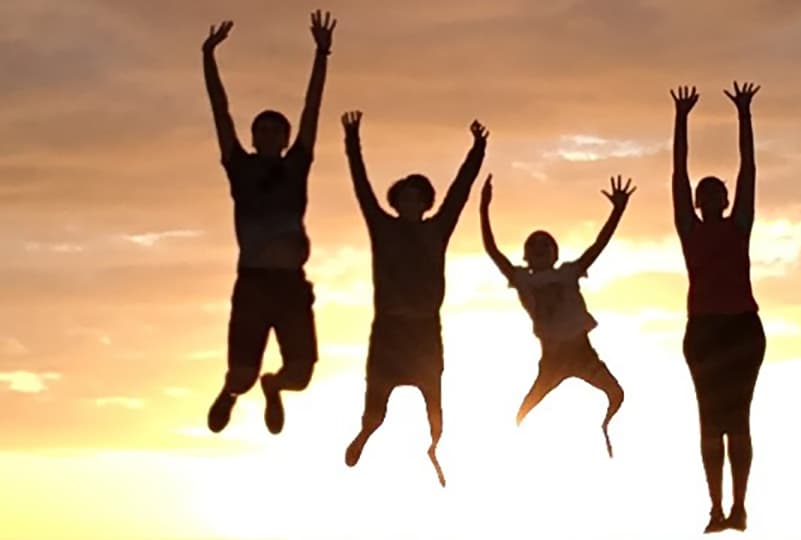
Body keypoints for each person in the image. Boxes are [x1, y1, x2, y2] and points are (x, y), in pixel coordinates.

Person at [203, 11, 336, 435]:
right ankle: (230, 394)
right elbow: (219, 111)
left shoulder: (297, 165)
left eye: (277, 131)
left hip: (292, 284)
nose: (269, 136)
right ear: (254, 136)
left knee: (299, 375)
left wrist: (322, 53)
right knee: (240, 375)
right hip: (254, 283)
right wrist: (208, 57)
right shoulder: (239, 166)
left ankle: (274, 388)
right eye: (262, 130)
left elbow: (312, 106)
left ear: (285, 137)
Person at [340, 110, 488, 487]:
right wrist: (352, 141)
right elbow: (361, 187)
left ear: (424, 203)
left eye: (417, 198)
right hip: (389, 328)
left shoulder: (437, 228)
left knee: (433, 401)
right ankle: (365, 435)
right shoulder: (382, 226)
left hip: (424, 328)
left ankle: (434, 447)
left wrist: (477, 149)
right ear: (396, 202)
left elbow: (459, 192)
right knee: (376, 405)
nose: (410, 203)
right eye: (404, 198)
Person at [480, 174, 632, 458]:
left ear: (554, 252)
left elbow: (598, 245)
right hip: (552, 357)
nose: (539, 251)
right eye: (534, 248)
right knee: (523, 412)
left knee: (617, 394)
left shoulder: (568, 272)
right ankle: (512, 451)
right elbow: (492, 250)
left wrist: (617, 210)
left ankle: (605, 428)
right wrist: (484, 208)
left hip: (581, 351)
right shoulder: (522, 278)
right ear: (527, 255)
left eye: (545, 247)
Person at [670, 82, 765, 533]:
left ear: (725, 201)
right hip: (704, 330)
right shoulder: (689, 229)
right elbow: (677, 173)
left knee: (738, 420)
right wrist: (681, 118)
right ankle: (715, 508)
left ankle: (739, 507)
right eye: (703, 194)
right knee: (711, 422)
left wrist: (744, 115)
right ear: (697, 203)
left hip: (742, 328)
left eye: (716, 193)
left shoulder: (740, 225)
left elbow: (749, 168)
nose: (709, 197)